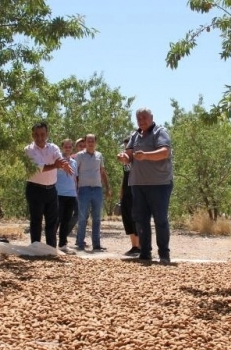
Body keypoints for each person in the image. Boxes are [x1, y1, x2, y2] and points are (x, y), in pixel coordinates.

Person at [117, 108, 173, 264]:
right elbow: (128, 156)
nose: (141, 120)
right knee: (141, 219)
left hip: (159, 184)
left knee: (160, 219)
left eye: (144, 117)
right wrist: (123, 158)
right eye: (138, 118)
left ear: (151, 117)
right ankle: (145, 252)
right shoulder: (135, 135)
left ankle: (164, 254)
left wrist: (146, 155)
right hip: (137, 184)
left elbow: (165, 152)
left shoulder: (160, 132)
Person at [24, 122, 73, 248]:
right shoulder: (28, 150)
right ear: (32, 135)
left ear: (47, 134)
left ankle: (51, 249)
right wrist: (56, 165)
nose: (40, 138)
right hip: (35, 189)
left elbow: (58, 158)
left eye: (42, 134)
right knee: (36, 221)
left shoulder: (53, 147)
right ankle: (36, 249)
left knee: (52, 221)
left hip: (51, 189)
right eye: (36, 135)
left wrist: (63, 164)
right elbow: (38, 168)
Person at [74, 134, 111, 252]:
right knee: (82, 217)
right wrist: (75, 189)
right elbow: (75, 173)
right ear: (85, 142)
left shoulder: (99, 155)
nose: (90, 143)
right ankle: (80, 243)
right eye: (88, 141)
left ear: (95, 142)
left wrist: (108, 188)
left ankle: (96, 244)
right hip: (83, 189)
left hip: (97, 189)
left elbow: (103, 172)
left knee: (97, 218)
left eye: (92, 141)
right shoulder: (79, 156)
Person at [56, 138, 78, 254]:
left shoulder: (74, 162)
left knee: (66, 220)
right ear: (62, 147)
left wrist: (76, 192)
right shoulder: (58, 161)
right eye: (66, 146)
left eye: (70, 147)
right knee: (56, 219)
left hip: (71, 195)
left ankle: (63, 244)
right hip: (59, 194)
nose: (68, 148)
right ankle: (51, 244)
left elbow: (75, 179)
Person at [120, 136, 140, 256]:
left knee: (136, 219)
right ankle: (134, 246)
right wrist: (121, 191)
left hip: (136, 191)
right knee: (127, 218)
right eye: (125, 147)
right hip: (126, 191)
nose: (127, 149)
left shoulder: (138, 160)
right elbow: (125, 176)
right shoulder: (125, 161)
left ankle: (142, 245)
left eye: (129, 147)